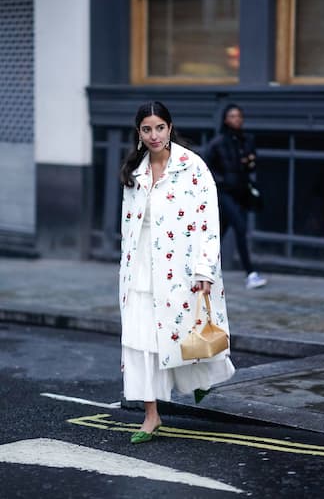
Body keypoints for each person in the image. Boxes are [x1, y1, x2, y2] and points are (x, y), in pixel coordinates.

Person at [119, 101, 235, 444]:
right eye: (146, 129)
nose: (154, 135)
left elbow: (208, 222)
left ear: (170, 128)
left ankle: (202, 379)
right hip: (139, 269)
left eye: (159, 127)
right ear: (138, 133)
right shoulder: (133, 172)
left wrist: (204, 269)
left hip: (179, 269)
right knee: (141, 343)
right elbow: (128, 227)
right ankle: (151, 415)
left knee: (186, 333)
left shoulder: (193, 167)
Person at [205, 103, 267, 290]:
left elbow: (252, 164)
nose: (237, 119)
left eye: (239, 116)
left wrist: (249, 162)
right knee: (240, 227)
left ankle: (202, 269)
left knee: (219, 232)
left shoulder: (247, 140)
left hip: (241, 192)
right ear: (225, 119)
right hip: (224, 192)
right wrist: (222, 181)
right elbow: (206, 166)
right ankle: (250, 273)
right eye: (232, 116)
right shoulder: (217, 143)